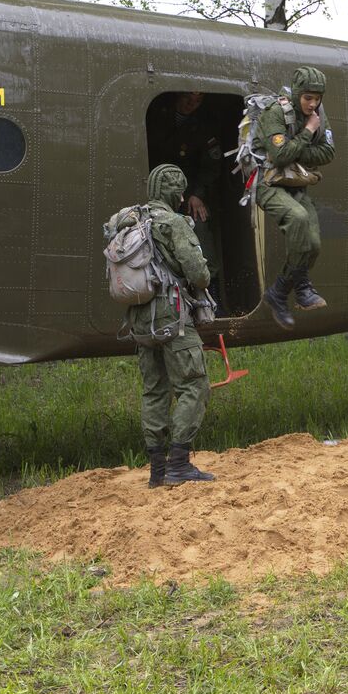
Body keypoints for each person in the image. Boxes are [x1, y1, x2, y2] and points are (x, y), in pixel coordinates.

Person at [118, 164, 215, 487]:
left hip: (140, 321)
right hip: (172, 318)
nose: (183, 196)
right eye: (180, 191)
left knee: (154, 390)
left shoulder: (133, 221)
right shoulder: (173, 223)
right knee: (193, 383)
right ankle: (179, 462)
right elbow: (199, 274)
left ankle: (157, 470)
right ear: (173, 193)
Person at [255, 66, 336, 329]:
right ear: (297, 94)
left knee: (313, 244)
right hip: (268, 183)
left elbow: (327, 153)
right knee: (299, 219)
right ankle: (294, 290)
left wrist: (295, 150)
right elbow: (278, 157)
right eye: (308, 98)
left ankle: (284, 292)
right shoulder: (275, 113)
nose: (313, 105)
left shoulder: (317, 114)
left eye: (317, 98)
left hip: (295, 184)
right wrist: (307, 133)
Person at [146, 91, 223, 290]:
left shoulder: (202, 127)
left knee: (199, 227)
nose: (191, 104)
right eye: (188, 98)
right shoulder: (158, 117)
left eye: (197, 101)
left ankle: (210, 290)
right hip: (155, 189)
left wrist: (197, 194)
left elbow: (212, 165)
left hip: (188, 191)